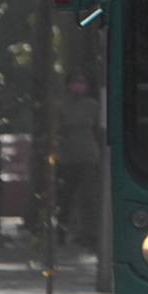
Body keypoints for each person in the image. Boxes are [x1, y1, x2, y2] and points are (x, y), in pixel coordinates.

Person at [53, 70, 102, 246]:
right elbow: (55, 131)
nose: (78, 85)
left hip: (89, 157)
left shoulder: (93, 106)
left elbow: (98, 130)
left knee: (91, 198)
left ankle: (91, 235)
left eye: (82, 82)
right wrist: (56, 153)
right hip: (67, 158)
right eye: (75, 81)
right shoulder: (60, 105)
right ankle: (61, 233)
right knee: (66, 198)